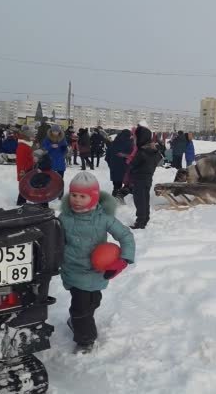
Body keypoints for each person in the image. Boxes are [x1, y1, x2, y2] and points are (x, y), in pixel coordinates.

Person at [58, 172, 135, 354]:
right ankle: (85, 339)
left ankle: (77, 320)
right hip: (74, 269)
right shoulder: (64, 218)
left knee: (93, 301)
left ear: (93, 197)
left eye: (82, 196)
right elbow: (55, 241)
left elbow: (125, 236)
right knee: (81, 307)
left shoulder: (104, 218)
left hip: (97, 270)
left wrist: (123, 260)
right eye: (74, 195)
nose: (77, 200)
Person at [128, 123, 161, 229]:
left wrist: (130, 163)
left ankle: (140, 222)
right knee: (145, 199)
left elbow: (133, 165)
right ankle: (145, 218)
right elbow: (157, 160)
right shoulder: (154, 151)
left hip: (139, 179)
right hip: (148, 178)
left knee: (139, 200)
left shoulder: (142, 152)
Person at [16, 125, 38, 205]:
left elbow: (29, 156)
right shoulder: (22, 146)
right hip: (24, 170)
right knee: (24, 186)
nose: (34, 138)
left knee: (26, 186)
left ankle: (22, 201)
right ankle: (20, 202)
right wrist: (22, 170)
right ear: (27, 137)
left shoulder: (27, 145)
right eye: (32, 137)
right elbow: (21, 160)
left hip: (28, 168)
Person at [106, 129, 132, 195]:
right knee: (128, 185)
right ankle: (121, 196)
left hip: (114, 168)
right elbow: (132, 157)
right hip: (126, 168)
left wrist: (111, 165)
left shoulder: (113, 143)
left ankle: (115, 198)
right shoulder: (130, 144)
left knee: (116, 186)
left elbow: (107, 157)